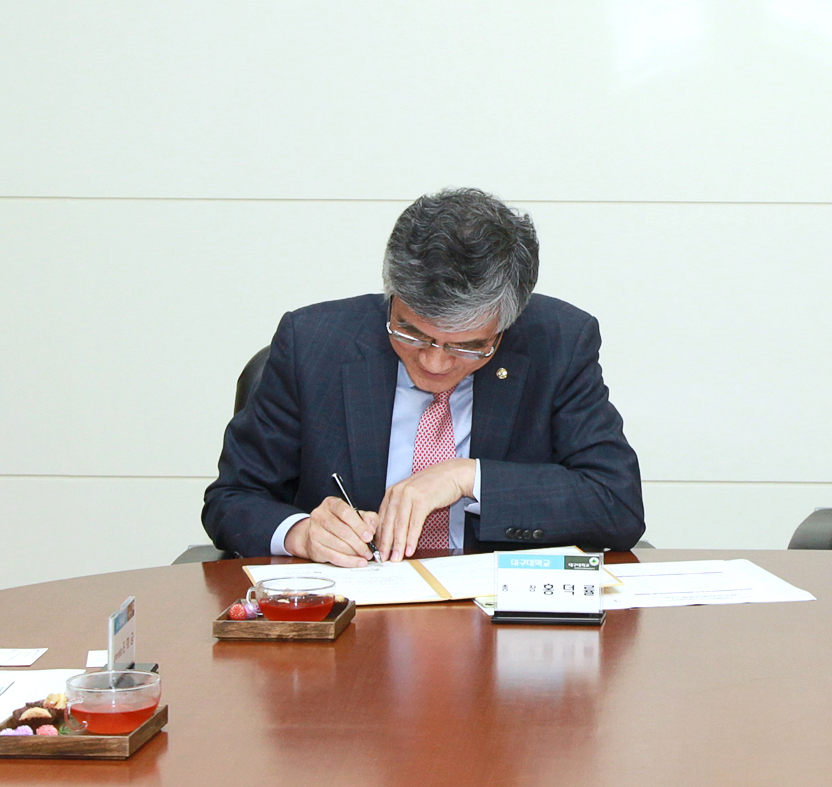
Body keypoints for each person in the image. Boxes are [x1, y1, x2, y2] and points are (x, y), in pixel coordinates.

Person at [202, 188, 645, 562]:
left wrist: (465, 477)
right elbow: (232, 498)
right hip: (354, 614)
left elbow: (617, 504)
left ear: (506, 324)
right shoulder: (312, 344)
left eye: (467, 346)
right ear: (391, 296)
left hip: (498, 618)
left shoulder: (559, 344)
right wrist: (300, 533)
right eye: (412, 333)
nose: (434, 363)